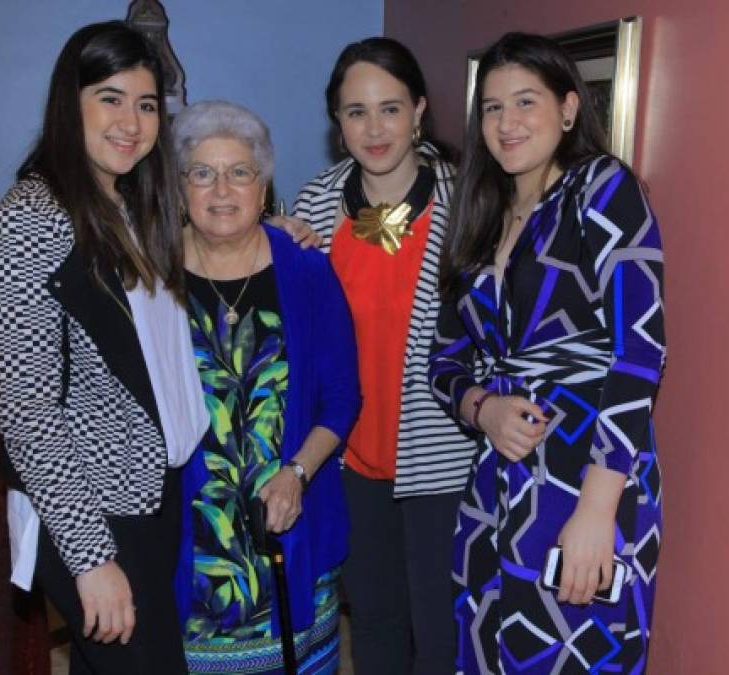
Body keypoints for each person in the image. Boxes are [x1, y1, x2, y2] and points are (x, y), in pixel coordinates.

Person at [430, 32, 666, 673]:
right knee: (485, 649)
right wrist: (482, 410)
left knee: (574, 654)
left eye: (525, 102)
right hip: (494, 482)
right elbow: (445, 359)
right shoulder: (478, 211)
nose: (506, 124)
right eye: (492, 108)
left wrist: (598, 508)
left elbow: (640, 349)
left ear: (568, 109)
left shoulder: (603, 188)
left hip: (588, 466)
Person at [0, 21, 208, 674]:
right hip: (92, 506)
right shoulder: (31, 220)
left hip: (145, 490)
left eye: (144, 103)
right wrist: (91, 557)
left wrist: (280, 229)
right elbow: (27, 413)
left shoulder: (129, 200)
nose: (130, 122)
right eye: (109, 98)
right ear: (68, 103)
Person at [284, 37, 477, 675]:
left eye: (390, 109)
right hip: (349, 458)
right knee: (372, 621)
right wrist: (277, 247)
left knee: (441, 632)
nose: (374, 128)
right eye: (356, 112)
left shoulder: (471, 204)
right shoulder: (315, 207)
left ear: (419, 111)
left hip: (442, 459)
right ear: (336, 124)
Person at [170, 99, 361, 674]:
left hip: (290, 524)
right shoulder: (150, 275)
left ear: (263, 185)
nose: (221, 190)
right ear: (180, 188)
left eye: (239, 172)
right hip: (190, 539)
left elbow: (342, 396)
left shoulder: (305, 270)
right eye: (202, 173)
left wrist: (297, 472)